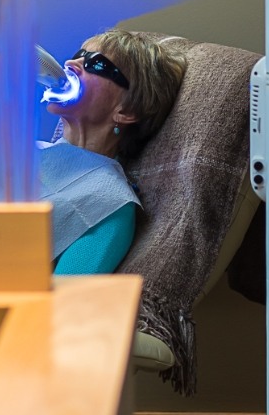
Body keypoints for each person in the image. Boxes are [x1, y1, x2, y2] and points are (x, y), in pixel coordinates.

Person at [38, 29, 188, 274]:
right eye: (79, 54)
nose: (70, 63)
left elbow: (63, 305)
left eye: (96, 64)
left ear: (126, 111)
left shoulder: (109, 205)